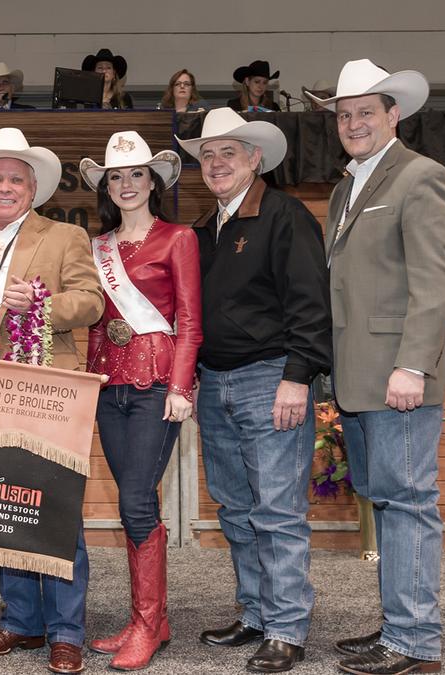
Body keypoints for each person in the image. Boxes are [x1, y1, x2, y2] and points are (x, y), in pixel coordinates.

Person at [310, 59, 445, 675]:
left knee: (408, 503)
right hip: (357, 379)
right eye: (345, 115)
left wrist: (413, 367)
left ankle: (416, 642)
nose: (353, 123)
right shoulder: (348, 188)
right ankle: (400, 626)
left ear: (393, 115)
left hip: (398, 378)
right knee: (386, 501)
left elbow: (435, 280)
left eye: (366, 112)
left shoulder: (421, 177)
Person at [176, 108, 330, 673]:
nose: (215, 164)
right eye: (208, 155)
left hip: (271, 378)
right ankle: (257, 613)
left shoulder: (285, 216)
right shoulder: (203, 229)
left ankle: (287, 627)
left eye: (228, 154)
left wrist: (297, 376)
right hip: (214, 381)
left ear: (255, 159)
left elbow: (312, 305)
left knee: (278, 511)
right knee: (236, 508)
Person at [0, 128, 105, 675]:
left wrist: (40, 304)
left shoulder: (64, 236)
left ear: (34, 187)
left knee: (58, 509)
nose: (4, 186)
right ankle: (21, 622)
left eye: (15, 179)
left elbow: (90, 302)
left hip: (46, 389)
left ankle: (66, 630)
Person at [78, 131, 201, 670]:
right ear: (106, 186)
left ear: (153, 181)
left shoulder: (179, 239)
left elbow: (192, 321)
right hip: (107, 386)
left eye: (135, 174)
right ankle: (151, 618)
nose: (126, 184)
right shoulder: (95, 247)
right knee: (137, 504)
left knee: (134, 502)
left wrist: (180, 387)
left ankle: (147, 624)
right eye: (116, 176)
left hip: (156, 386)